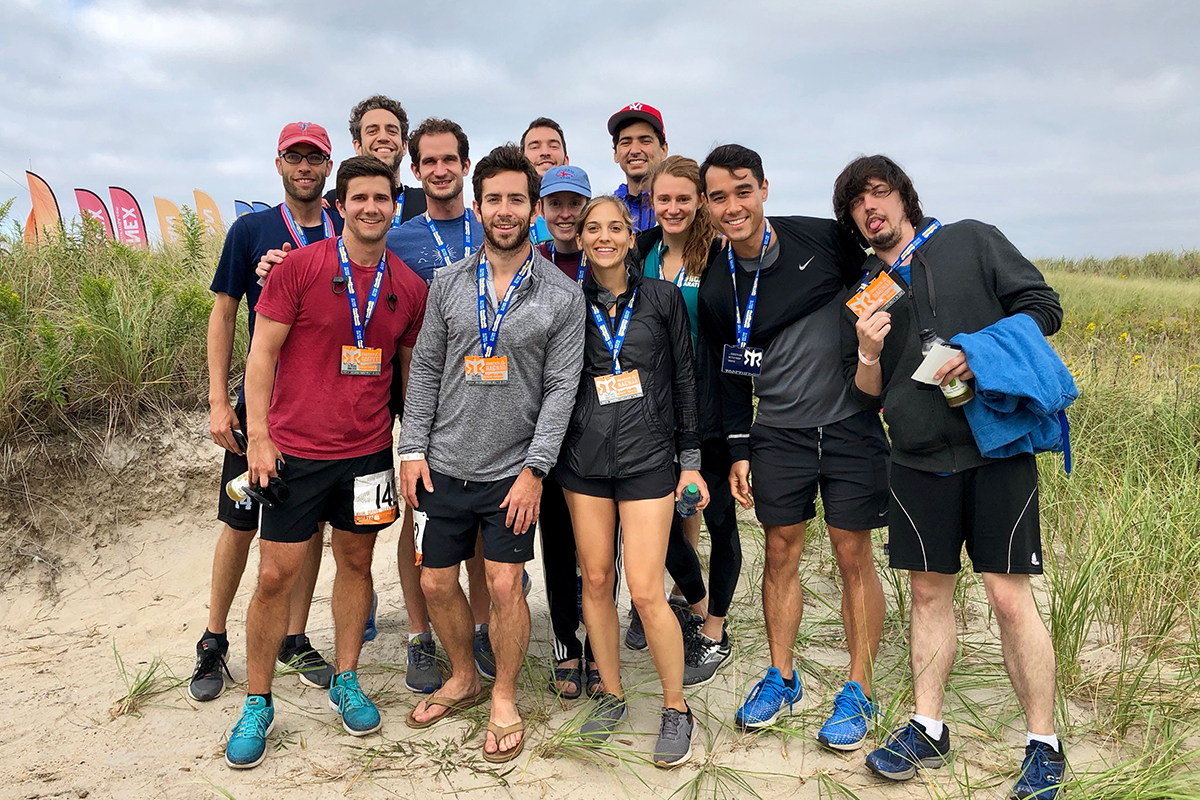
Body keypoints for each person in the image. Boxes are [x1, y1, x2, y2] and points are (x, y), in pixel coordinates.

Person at [835, 155, 1066, 799]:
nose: (870, 208)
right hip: (914, 458)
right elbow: (867, 396)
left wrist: (978, 352)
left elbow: (1044, 308)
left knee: (1007, 595)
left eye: (878, 193)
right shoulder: (866, 291)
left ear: (903, 196)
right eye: (857, 204)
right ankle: (927, 727)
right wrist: (868, 351)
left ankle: (1043, 744)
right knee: (929, 593)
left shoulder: (970, 238)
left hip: (996, 449)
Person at [224, 156, 427, 769]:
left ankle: (345, 677)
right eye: (359, 197)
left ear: (396, 206)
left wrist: (409, 446)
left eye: (382, 198)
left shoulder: (408, 287)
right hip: (295, 452)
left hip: (367, 453)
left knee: (357, 564)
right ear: (340, 205)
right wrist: (258, 437)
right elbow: (261, 356)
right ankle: (257, 701)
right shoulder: (300, 269)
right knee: (273, 578)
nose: (371, 208)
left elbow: (411, 374)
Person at [696, 144, 889, 752]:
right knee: (779, 553)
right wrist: (739, 449)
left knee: (851, 553)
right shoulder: (716, 286)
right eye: (719, 196)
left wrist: (873, 351)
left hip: (852, 424)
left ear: (765, 189)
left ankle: (858, 688)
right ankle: (782, 676)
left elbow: (885, 275)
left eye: (743, 190)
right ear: (706, 204)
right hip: (778, 433)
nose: (733, 206)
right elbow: (728, 375)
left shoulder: (824, 239)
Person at [399, 144, 585, 764]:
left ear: (533, 210)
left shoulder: (561, 295)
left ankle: (503, 694)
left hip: (512, 472)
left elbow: (562, 390)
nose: (504, 212)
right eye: (494, 200)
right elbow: (424, 368)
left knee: (505, 587)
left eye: (516, 200)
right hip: (444, 463)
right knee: (435, 581)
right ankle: (463, 676)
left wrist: (536, 471)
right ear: (476, 207)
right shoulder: (449, 283)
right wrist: (412, 448)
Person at [192, 121, 342, 704]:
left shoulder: (344, 228)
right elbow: (224, 315)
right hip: (261, 406)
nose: (305, 167)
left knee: (307, 530)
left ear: (329, 166)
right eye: (294, 157)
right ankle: (213, 639)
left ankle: (295, 637)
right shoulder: (251, 230)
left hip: (322, 407)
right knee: (238, 522)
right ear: (278, 164)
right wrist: (215, 401)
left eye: (315, 158)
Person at [560, 194, 709, 768]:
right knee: (596, 580)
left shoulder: (663, 298)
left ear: (630, 236)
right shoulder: (571, 302)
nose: (602, 236)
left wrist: (690, 459)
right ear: (582, 236)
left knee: (646, 590)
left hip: (650, 458)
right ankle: (613, 694)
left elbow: (686, 382)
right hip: (585, 462)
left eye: (613, 227)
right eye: (592, 228)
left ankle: (677, 707)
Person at [637, 155, 741, 687]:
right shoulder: (642, 253)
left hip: (714, 409)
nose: (673, 207)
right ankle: (696, 605)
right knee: (662, 525)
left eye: (684, 197)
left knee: (719, 520)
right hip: (656, 412)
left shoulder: (721, 254)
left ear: (700, 199)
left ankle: (716, 631)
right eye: (664, 198)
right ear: (651, 202)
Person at [531, 164, 594, 697]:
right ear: (541, 211)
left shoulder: (607, 263)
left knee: (598, 548)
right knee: (556, 541)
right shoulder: (531, 266)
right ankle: (565, 644)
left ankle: (598, 642)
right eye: (556, 204)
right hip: (544, 426)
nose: (566, 214)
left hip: (598, 427)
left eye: (576, 204)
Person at [388, 118, 484, 283]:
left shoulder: (491, 231)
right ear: (416, 171)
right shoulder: (394, 243)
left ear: (466, 166)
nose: (440, 172)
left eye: (449, 159)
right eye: (430, 162)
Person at [324, 94, 427, 226]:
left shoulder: (426, 202)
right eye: (372, 131)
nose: (383, 137)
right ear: (358, 146)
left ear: (404, 146)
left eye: (392, 131)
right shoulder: (333, 203)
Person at [607, 103, 669, 232]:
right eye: (626, 142)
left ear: (663, 150)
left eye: (645, 141)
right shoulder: (605, 211)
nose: (634, 150)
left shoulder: (682, 210)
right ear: (615, 154)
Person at [520, 116, 569, 245]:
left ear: (566, 161)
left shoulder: (582, 215)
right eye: (535, 147)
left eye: (553, 146)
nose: (545, 152)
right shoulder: (510, 214)